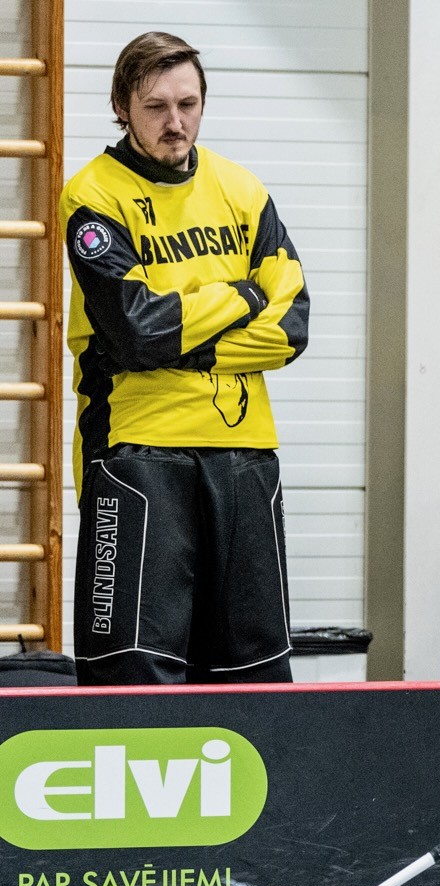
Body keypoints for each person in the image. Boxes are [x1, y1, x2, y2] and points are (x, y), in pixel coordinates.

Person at [62, 31, 309, 685]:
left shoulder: (243, 190)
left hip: (245, 453)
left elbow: (291, 328)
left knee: (255, 671)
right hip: (138, 449)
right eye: (156, 107)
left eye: (188, 104)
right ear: (121, 106)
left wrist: (187, 344)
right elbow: (135, 332)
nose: (175, 122)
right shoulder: (93, 197)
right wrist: (241, 296)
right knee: (135, 673)